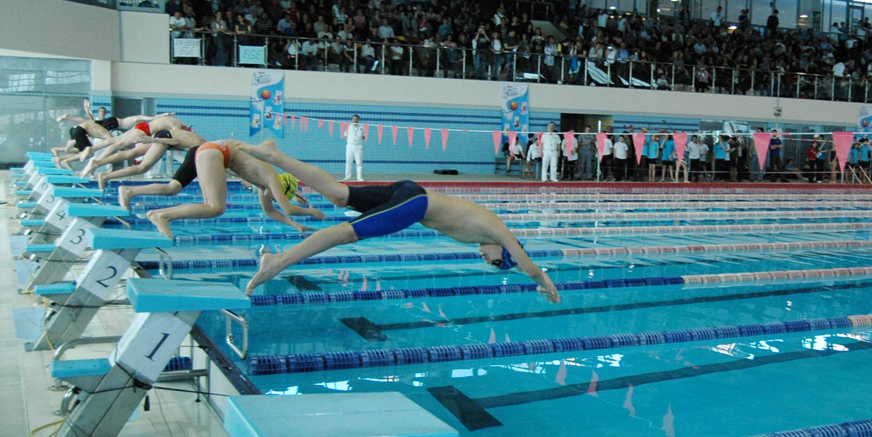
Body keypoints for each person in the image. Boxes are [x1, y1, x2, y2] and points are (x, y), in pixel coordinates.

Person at [241, 140, 560, 303]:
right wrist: (543, 281)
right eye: (494, 263)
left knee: (339, 195)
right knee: (345, 234)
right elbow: (526, 263)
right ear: (503, 253)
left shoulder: (483, 234)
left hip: (408, 193)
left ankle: (275, 155)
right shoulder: (500, 233)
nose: (486, 261)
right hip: (415, 204)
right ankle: (278, 261)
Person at [117, 133, 325, 239]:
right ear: (279, 188)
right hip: (214, 152)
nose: (271, 198)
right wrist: (311, 213)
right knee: (215, 207)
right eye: (276, 195)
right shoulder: (270, 176)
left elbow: (271, 212)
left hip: (212, 151)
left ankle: (157, 214)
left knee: (210, 204)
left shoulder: (264, 186)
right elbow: (286, 208)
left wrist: (296, 225)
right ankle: (162, 215)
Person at [344, 115, 364, 181]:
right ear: (352, 119)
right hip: (350, 146)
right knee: (348, 161)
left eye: (356, 119)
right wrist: (351, 140)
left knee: (359, 162)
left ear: (358, 120)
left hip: (358, 146)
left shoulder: (362, 128)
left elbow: (363, 137)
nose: (355, 120)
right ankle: (347, 176)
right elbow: (345, 136)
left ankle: (359, 177)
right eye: (353, 119)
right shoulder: (348, 127)